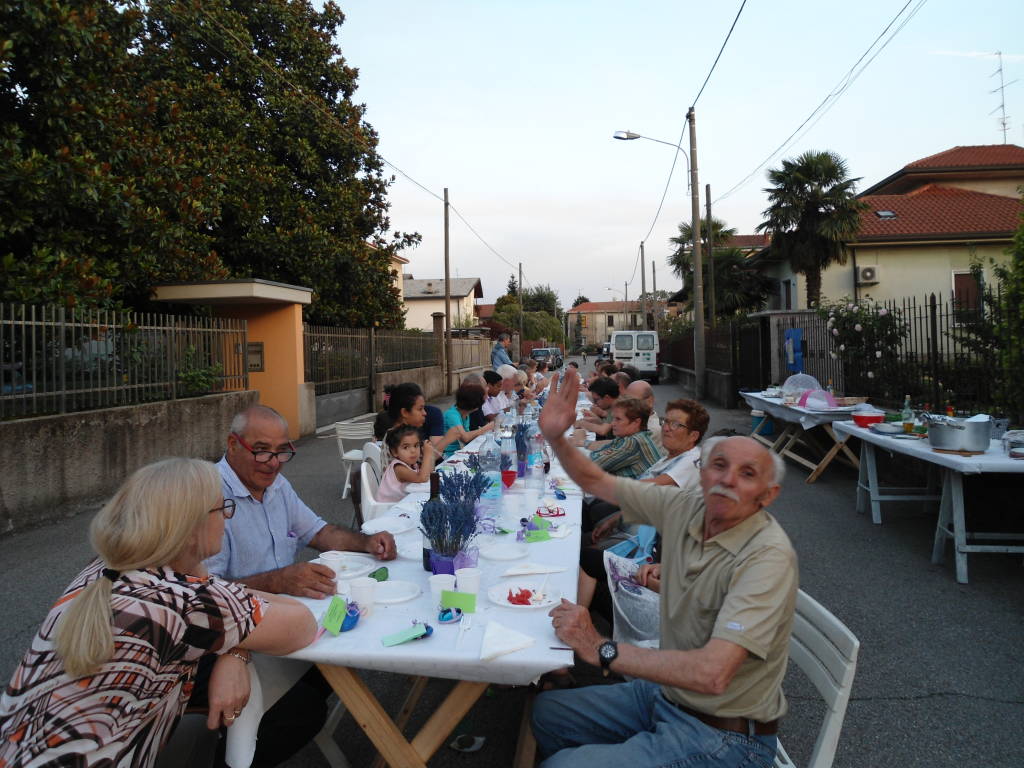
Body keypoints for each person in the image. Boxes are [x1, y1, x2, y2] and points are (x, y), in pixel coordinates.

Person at [532, 368, 797, 767]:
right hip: (668, 696)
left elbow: (712, 674)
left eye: (747, 474)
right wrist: (555, 435)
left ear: (768, 494)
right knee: (547, 714)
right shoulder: (689, 506)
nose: (727, 480)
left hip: (726, 735)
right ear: (701, 470)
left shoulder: (766, 556)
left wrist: (598, 647)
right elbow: (596, 481)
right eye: (719, 465)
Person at [0, 458, 315, 768]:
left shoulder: (103, 569)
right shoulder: (182, 601)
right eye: (223, 509)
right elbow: (302, 623)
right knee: (301, 709)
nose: (227, 519)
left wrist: (234, 650)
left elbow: (218, 600)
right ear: (191, 529)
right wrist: (234, 637)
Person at [203, 405, 397, 767]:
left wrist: (366, 542)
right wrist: (278, 580)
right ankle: (233, 749)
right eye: (261, 449)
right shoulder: (210, 496)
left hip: (282, 621)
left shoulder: (276, 485)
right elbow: (202, 593)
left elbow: (319, 532)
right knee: (304, 709)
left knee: (335, 659)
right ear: (232, 444)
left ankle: (261, 722)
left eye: (282, 451)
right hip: (230, 632)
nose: (273, 462)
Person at [373, 382, 461, 458]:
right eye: (420, 409)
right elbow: (424, 468)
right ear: (405, 412)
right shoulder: (399, 439)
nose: (425, 413)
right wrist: (447, 440)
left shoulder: (404, 433)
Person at [585, 397, 661, 480]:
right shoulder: (631, 437)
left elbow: (592, 464)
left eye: (618, 419)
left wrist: (603, 454)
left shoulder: (633, 442)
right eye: (613, 418)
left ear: (636, 422)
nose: (613, 423)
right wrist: (603, 454)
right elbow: (601, 452)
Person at [377, 424, 435, 502]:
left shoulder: (412, 464)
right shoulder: (398, 468)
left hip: (402, 502)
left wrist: (430, 453)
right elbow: (422, 478)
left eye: (416, 445)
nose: (413, 451)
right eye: (406, 447)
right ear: (395, 452)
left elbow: (429, 473)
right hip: (388, 508)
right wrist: (427, 455)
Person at [441, 382, 494, 458]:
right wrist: (486, 428)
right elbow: (465, 438)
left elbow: (467, 438)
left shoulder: (465, 414)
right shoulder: (452, 414)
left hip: (457, 452)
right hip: (446, 455)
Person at [625, 379, 662, 451]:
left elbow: (622, 451)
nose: (626, 406)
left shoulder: (651, 430)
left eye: (633, 402)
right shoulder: (639, 421)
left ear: (650, 401)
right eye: (626, 401)